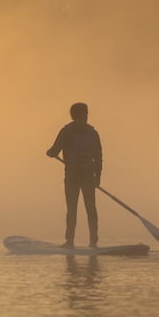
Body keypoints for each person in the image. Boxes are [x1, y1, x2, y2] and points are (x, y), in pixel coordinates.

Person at [46, 102, 103, 248]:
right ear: (84, 115)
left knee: (72, 209)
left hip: (72, 176)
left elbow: (53, 150)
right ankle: (93, 241)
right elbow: (98, 157)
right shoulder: (93, 133)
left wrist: (50, 153)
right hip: (89, 176)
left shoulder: (66, 131)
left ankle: (69, 241)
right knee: (91, 208)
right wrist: (98, 178)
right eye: (87, 114)